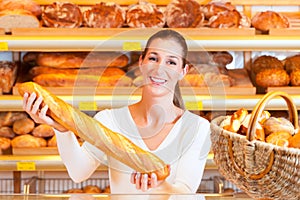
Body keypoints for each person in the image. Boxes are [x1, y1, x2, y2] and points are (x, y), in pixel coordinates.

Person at [22, 29, 211, 194]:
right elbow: (78, 172)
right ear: (141, 63)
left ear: (183, 71)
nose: (159, 68)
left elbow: (186, 192)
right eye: (153, 58)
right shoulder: (109, 120)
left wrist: (160, 185)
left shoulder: (197, 128)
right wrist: (61, 128)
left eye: (171, 62)